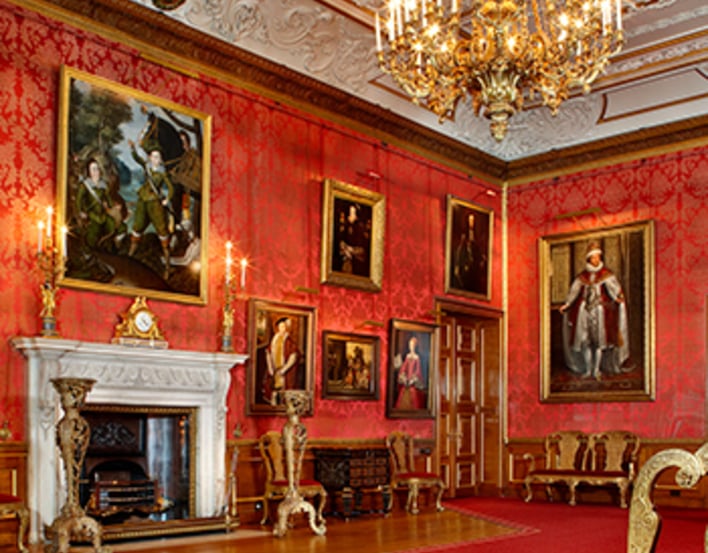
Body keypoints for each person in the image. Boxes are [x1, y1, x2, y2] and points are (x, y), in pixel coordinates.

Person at [559, 241, 630, 380]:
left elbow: (615, 289)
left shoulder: (607, 274)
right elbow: (574, 292)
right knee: (585, 342)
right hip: (584, 312)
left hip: (600, 311)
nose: (596, 259)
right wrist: (567, 304)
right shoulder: (582, 277)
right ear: (589, 259)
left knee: (598, 343)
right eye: (593, 257)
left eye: (598, 257)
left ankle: (596, 370)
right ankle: (587, 370)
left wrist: (618, 298)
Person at [127, 140, 174, 277]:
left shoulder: (162, 173)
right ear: (150, 158)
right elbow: (137, 159)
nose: (156, 160)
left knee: (162, 231)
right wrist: (133, 149)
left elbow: (170, 188)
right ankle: (129, 258)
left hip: (155, 204)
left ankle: (167, 266)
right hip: (143, 201)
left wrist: (167, 199)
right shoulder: (146, 166)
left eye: (158, 157)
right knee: (137, 227)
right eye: (154, 157)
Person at [75, 158, 120, 250]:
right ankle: (90, 250)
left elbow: (108, 198)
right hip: (91, 213)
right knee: (94, 230)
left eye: (98, 169)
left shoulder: (103, 185)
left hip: (102, 213)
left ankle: (106, 246)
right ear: (89, 172)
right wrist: (81, 212)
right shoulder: (85, 186)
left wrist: (113, 207)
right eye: (94, 169)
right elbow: (78, 201)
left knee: (111, 224)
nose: (96, 171)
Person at [263, 317, 301, 406]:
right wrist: (270, 368)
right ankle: (273, 404)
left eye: (283, 327)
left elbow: (293, 356)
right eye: (280, 327)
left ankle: (283, 405)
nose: (281, 329)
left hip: (284, 370)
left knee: (284, 390)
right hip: (274, 368)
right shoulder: (274, 340)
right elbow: (268, 353)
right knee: (273, 389)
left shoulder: (289, 342)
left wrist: (284, 369)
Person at [453, 213, 487, 294]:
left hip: (474, 254)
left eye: (472, 220)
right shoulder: (464, 233)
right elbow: (461, 246)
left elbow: (477, 245)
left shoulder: (476, 233)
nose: (471, 222)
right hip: (466, 256)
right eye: (470, 220)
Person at [335, 203, 370, 276]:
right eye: (349, 213)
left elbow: (363, 249)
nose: (349, 216)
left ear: (356, 216)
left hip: (357, 263)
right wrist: (345, 249)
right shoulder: (345, 227)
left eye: (352, 214)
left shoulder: (360, 229)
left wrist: (352, 251)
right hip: (346, 257)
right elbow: (341, 241)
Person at [394, 336, 426, 410]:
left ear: (415, 346)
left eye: (412, 345)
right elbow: (404, 368)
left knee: (413, 397)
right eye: (410, 345)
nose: (411, 347)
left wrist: (412, 380)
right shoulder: (407, 356)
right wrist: (404, 377)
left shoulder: (417, 357)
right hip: (406, 381)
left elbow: (418, 370)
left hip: (412, 381)